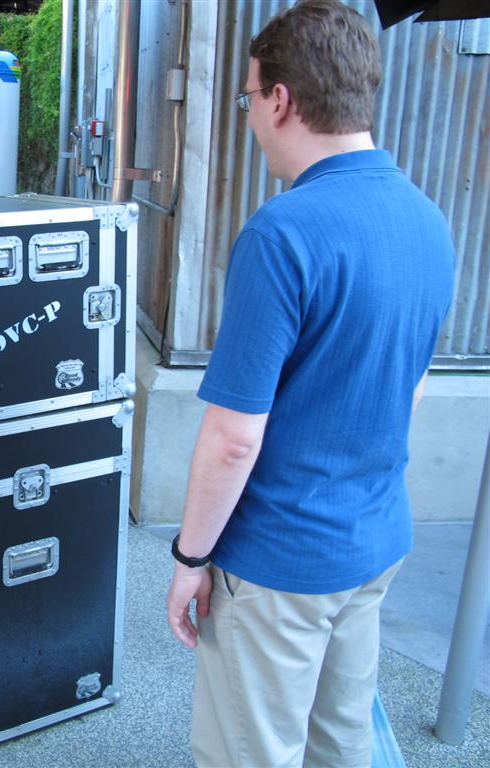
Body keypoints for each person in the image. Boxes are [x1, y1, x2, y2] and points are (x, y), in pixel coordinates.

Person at [163, 2, 455, 766]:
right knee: (341, 743)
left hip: (280, 561)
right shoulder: (430, 221)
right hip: (374, 541)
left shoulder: (282, 233)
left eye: (249, 97)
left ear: (281, 100)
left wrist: (190, 560)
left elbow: (234, 439)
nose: (251, 117)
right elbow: (410, 390)